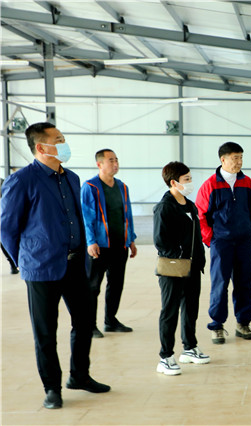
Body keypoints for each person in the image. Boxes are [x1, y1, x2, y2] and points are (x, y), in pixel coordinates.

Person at [0, 122, 110, 409]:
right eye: (59, 140)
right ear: (41, 147)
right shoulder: (21, 181)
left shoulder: (71, 177)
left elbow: (77, 218)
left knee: (84, 323)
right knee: (46, 332)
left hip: (75, 264)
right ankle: (52, 387)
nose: (64, 144)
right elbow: (7, 229)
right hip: (41, 269)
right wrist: (24, 261)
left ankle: (80, 376)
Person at [196, 142, 251, 344]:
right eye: (235, 158)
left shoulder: (246, 182)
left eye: (241, 157)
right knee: (220, 284)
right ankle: (217, 325)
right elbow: (201, 216)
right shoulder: (210, 185)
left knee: (244, 283)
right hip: (221, 243)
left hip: (244, 242)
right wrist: (211, 239)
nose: (239, 162)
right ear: (223, 160)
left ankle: (243, 323)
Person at [153, 162, 209, 375]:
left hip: (193, 267)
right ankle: (165, 356)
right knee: (170, 311)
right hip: (173, 268)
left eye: (190, 178)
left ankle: (190, 347)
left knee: (191, 308)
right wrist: (180, 255)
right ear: (173, 182)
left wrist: (198, 259)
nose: (190, 183)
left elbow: (196, 236)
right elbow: (160, 241)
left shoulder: (190, 205)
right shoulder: (164, 207)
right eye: (186, 180)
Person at [81, 149, 137, 338]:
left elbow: (127, 215)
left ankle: (110, 321)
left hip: (119, 245)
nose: (115, 164)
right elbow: (86, 217)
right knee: (93, 287)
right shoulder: (90, 187)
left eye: (116, 160)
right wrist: (91, 241)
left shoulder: (122, 187)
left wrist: (131, 239)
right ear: (100, 164)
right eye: (111, 160)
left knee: (116, 284)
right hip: (99, 246)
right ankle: (89, 325)